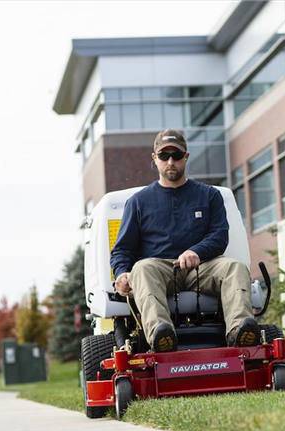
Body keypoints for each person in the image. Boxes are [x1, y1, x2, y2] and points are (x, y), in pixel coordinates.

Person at [110, 129, 259, 352]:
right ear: (155, 158)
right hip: (159, 269)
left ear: (186, 157)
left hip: (202, 267)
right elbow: (122, 250)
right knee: (141, 268)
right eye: (164, 156)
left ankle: (240, 331)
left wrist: (196, 251)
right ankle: (161, 335)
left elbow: (219, 236)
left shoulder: (209, 195)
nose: (171, 161)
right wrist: (121, 273)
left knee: (234, 267)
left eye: (176, 155)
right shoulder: (138, 202)